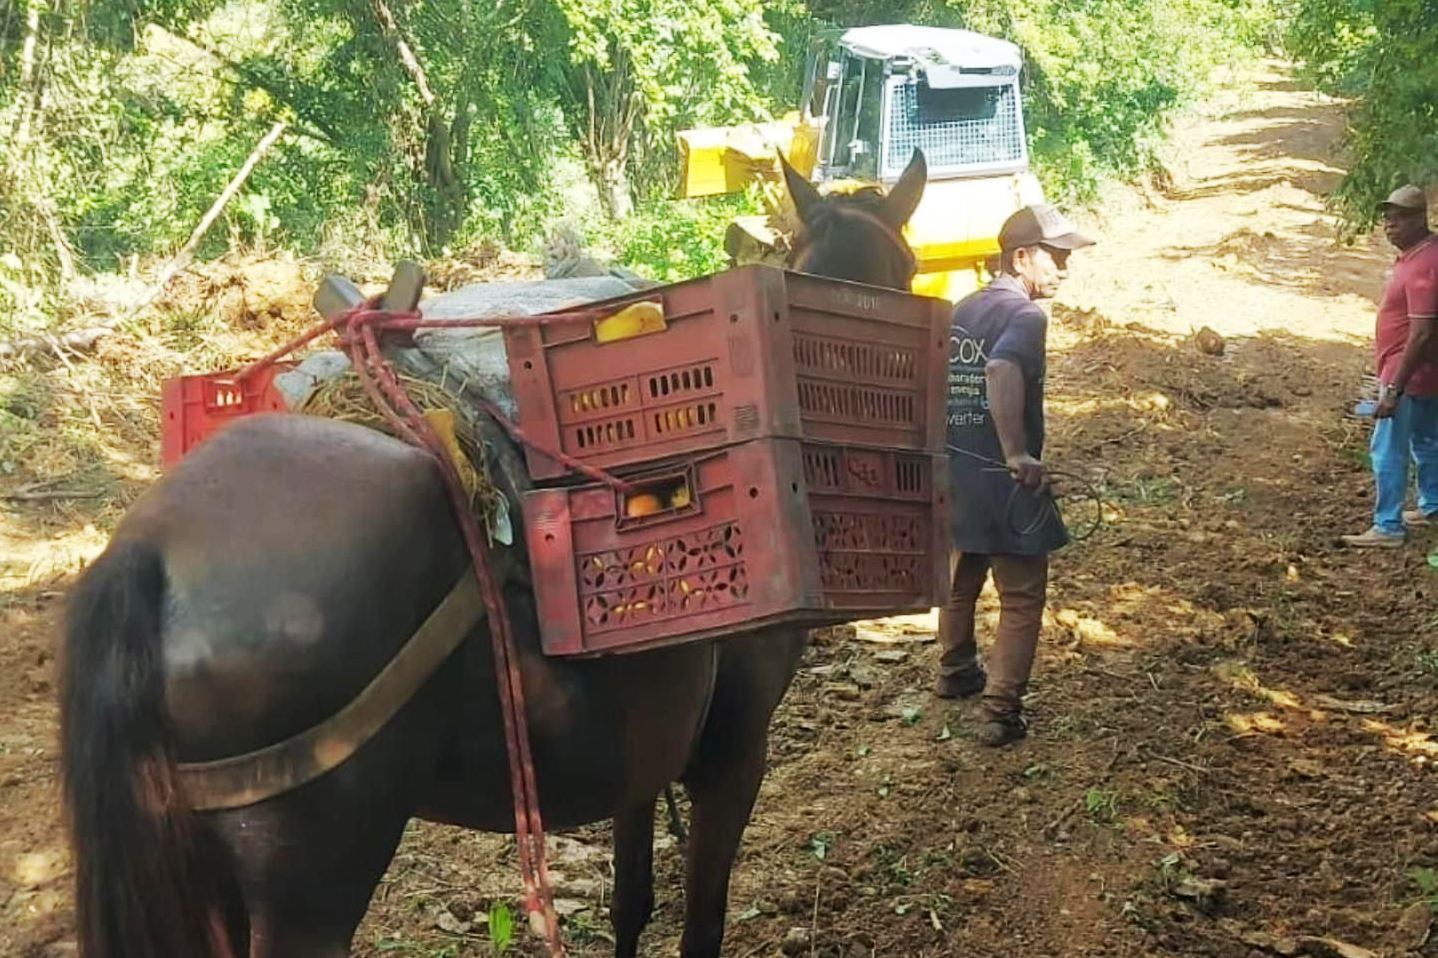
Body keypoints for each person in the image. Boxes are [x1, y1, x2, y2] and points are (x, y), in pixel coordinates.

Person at [935, 204, 1094, 747]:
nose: (1065, 270)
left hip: (956, 468)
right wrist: (1017, 455)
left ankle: (956, 672)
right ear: (1021, 257)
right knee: (1022, 594)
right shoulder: (1026, 316)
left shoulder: (959, 309)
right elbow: (1001, 368)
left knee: (962, 574)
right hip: (1005, 477)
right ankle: (1000, 712)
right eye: (1056, 257)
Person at [1342, 184, 1438, 548]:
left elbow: (1423, 332)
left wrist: (1394, 387)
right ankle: (1433, 506)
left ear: (1418, 219)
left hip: (1409, 375)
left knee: (1388, 450)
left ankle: (1387, 526)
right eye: (1386, 219)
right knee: (1428, 441)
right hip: (1428, 375)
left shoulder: (1423, 266)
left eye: (1397, 220)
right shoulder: (1423, 255)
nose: (1388, 226)